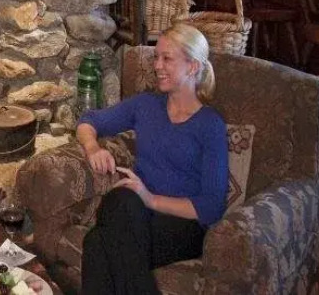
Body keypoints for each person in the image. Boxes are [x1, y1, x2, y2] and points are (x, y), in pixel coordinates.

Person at [76, 24, 228, 295]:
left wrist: (151, 199)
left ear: (192, 66)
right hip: (133, 212)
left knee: (98, 241)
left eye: (167, 58)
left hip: (182, 226)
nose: (157, 66)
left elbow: (211, 206)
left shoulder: (210, 125)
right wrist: (93, 148)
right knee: (119, 204)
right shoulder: (146, 105)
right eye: (156, 57)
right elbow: (88, 120)